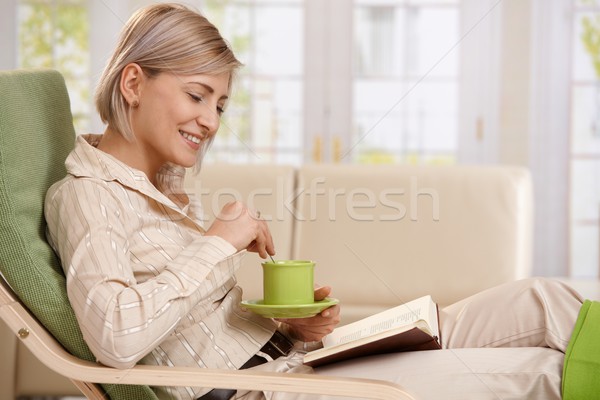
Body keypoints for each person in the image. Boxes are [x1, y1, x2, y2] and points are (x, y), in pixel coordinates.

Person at [44, 3, 585, 400]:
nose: (210, 121)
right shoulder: (86, 196)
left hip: (294, 361)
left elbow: (194, 320)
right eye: (196, 95)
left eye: (220, 105)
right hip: (263, 391)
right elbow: (115, 338)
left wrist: (293, 330)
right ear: (134, 83)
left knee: (543, 302)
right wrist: (215, 244)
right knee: (536, 372)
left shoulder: (162, 188)